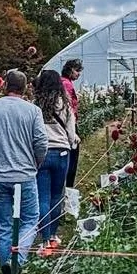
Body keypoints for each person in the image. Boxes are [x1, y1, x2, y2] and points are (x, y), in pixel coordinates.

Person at [0, 69, 47, 274]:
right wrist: (36, 163)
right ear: (25, 88)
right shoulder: (32, 110)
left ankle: (7, 273)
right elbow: (41, 143)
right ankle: (17, 262)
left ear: (5, 84)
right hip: (24, 175)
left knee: (4, 225)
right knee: (30, 219)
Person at [33, 67, 77, 249]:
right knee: (56, 196)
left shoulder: (35, 105)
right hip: (61, 152)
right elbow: (71, 132)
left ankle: (44, 239)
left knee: (42, 196)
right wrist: (71, 142)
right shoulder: (64, 104)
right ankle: (52, 236)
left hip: (42, 153)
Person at [61, 58, 83, 188]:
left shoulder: (64, 82)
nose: (78, 74)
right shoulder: (66, 84)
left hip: (65, 124)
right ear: (69, 70)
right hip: (69, 124)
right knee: (72, 159)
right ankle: (69, 189)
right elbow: (68, 108)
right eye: (77, 70)